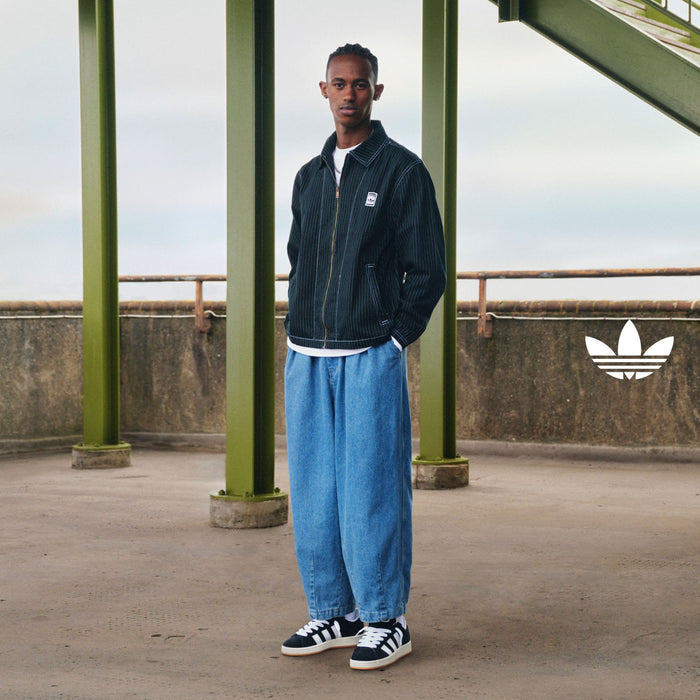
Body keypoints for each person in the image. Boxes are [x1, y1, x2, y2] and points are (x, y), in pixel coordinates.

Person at [281, 43, 446, 671]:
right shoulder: (308, 176)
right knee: (315, 491)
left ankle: (385, 618)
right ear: (323, 90)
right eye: (339, 83)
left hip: (369, 352)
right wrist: (299, 323)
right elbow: (300, 257)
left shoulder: (402, 171)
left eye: (360, 84)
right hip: (307, 353)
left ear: (376, 91)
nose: (348, 94)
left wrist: (394, 338)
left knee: (371, 488)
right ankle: (334, 611)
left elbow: (427, 269)